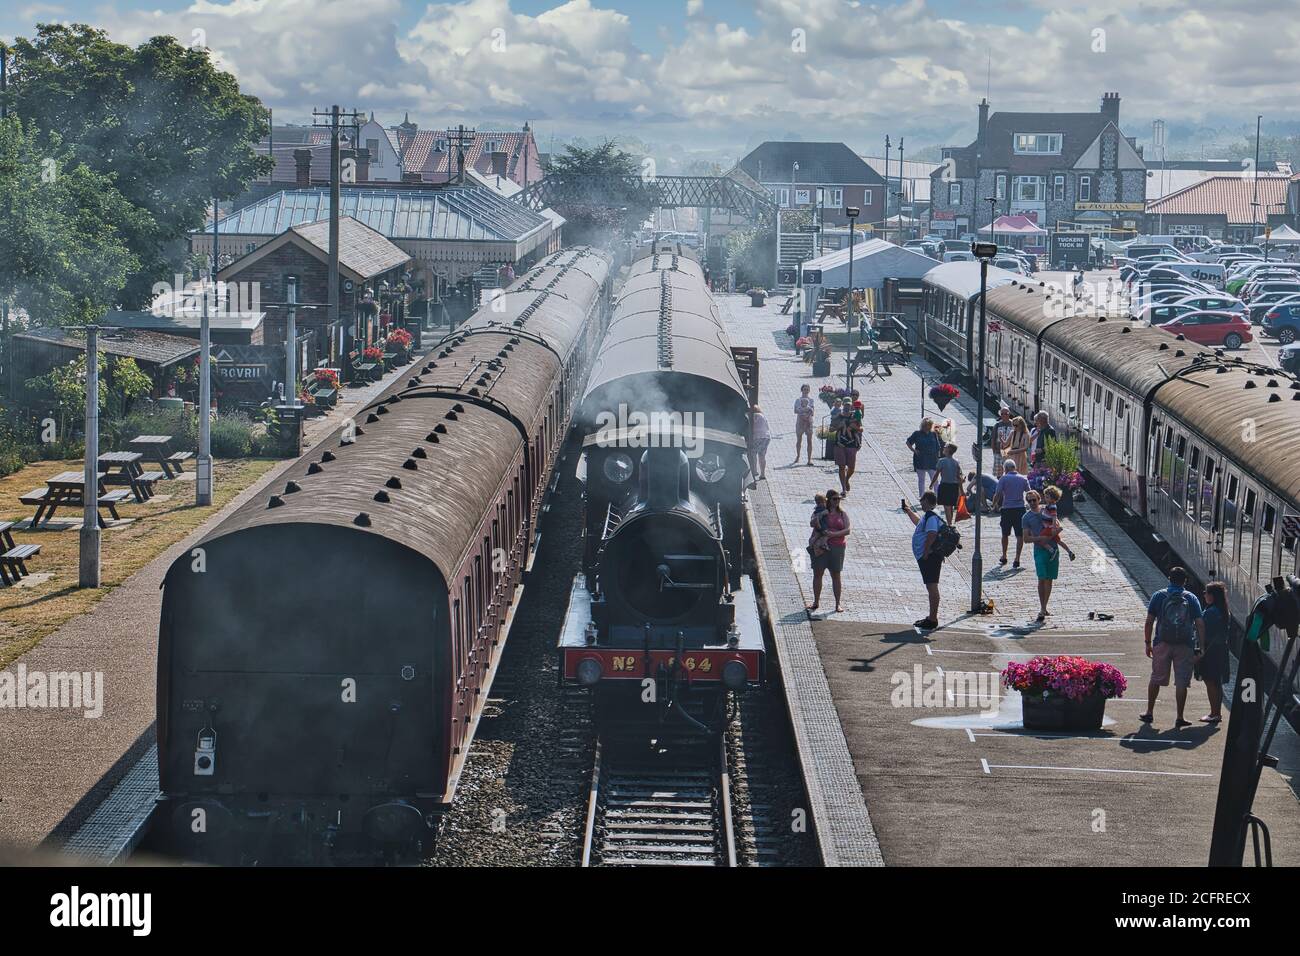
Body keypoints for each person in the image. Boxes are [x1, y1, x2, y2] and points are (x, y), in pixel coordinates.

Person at [1139, 566, 1205, 729]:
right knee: (1182, 681)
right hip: (1185, 644)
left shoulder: (1159, 596)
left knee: (1156, 677)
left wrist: (1147, 643)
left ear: (1169, 578)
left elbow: (1149, 622)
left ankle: (1149, 712)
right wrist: (1201, 646)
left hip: (1162, 642)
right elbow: (1200, 624)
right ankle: (1180, 717)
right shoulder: (1191, 598)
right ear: (1185, 581)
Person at [1021, 487, 1076, 622]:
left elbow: (1056, 527)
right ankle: (1042, 608)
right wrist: (1041, 539)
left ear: (1039, 499)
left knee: (1049, 579)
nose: (1032, 502)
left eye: (1034, 500)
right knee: (1042, 577)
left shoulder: (1048, 510)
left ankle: (1044, 607)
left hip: (1053, 548)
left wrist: (1054, 532)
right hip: (1039, 550)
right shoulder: (1026, 517)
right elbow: (1026, 539)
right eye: (1029, 501)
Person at [903, 491, 943, 630]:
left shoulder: (932, 516)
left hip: (930, 557)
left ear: (927, 500)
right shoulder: (929, 515)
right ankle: (931, 617)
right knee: (930, 586)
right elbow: (919, 523)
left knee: (932, 586)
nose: (920, 502)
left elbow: (932, 534)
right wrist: (908, 511)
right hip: (927, 556)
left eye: (922, 500)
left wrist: (926, 552)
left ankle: (933, 619)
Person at [807, 490, 850, 614]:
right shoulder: (820, 511)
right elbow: (812, 523)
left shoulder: (842, 514)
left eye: (838, 499)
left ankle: (837, 603)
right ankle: (816, 602)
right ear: (828, 500)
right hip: (820, 547)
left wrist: (833, 534)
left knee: (836, 575)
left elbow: (847, 530)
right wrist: (819, 517)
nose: (837, 502)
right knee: (818, 574)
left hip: (838, 547)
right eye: (834, 499)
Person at [1197, 582, 1231, 724]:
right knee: (1216, 682)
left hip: (1211, 651)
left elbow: (1204, 632)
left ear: (1212, 595)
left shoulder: (1211, 612)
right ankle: (1216, 713)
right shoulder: (1222, 610)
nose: (1204, 595)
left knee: (1210, 682)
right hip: (1220, 650)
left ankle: (1214, 713)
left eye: (1206, 593)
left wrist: (1199, 651)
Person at [993, 458, 1030, 568]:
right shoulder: (1023, 479)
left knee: (1005, 534)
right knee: (1019, 535)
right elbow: (1029, 493)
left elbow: (998, 493)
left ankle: (1004, 555)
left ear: (1006, 468)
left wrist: (994, 504)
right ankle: (1017, 558)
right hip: (1020, 509)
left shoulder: (1003, 479)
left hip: (1007, 509)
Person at [906, 418, 942, 500]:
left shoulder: (933, 434)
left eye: (929, 425)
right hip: (920, 459)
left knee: (935, 479)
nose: (927, 427)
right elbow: (908, 442)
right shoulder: (917, 434)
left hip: (932, 460)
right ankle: (922, 496)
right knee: (921, 480)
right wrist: (914, 450)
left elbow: (937, 447)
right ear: (922, 425)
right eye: (925, 425)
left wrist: (938, 458)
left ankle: (937, 496)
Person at [930, 442, 963, 524]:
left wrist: (931, 484)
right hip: (954, 486)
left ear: (948, 450)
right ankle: (950, 522)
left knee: (947, 506)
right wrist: (961, 489)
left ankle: (949, 524)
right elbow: (959, 476)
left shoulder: (941, 461)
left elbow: (936, 474)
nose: (943, 448)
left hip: (945, 485)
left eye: (945, 447)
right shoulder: (956, 462)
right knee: (950, 506)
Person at [835, 414, 862, 496]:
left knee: (851, 467)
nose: (847, 407)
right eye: (846, 405)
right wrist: (839, 426)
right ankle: (843, 488)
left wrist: (853, 426)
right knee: (841, 466)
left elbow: (861, 429)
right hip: (840, 445)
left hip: (852, 445)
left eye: (849, 405)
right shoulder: (839, 416)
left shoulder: (855, 416)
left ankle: (846, 480)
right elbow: (831, 429)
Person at [748, 405, 770, 488]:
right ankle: (763, 474)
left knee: (753, 454)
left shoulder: (753, 417)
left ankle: (754, 471)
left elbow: (750, 428)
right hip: (766, 437)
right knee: (762, 456)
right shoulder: (763, 416)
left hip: (757, 437)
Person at [793, 384, 816, 465]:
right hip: (800, 421)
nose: (806, 391)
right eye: (804, 389)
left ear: (809, 390)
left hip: (809, 422)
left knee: (809, 440)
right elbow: (795, 410)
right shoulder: (798, 400)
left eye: (807, 389)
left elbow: (813, 412)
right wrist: (802, 414)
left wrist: (807, 415)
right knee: (799, 440)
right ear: (801, 390)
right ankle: (798, 456)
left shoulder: (811, 400)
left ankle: (809, 459)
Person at [993, 407, 1015, 477]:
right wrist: (994, 450)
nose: (1004, 415)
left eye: (1006, 414)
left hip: (1010, 452)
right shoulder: (997, 425)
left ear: (1009, 414)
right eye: (1002, 414)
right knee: (998, 472)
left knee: (1010, 470)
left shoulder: (1014, 424)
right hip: (998, 451)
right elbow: (993, 439)